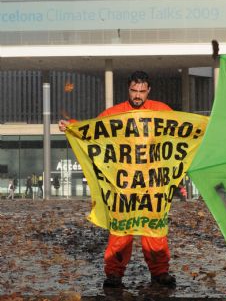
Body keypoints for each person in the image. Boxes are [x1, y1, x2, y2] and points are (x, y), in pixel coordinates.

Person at [58, 71, 175, 289]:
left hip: (152, 184)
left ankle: (160, 272)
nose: (138, 95)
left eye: (141, 91)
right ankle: (114, 274)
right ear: (128, 89)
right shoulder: (114, 114)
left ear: (148, 90)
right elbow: (93, 131)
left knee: (155, 230)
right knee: (121, 230)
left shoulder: (163, 111)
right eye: (134, 90)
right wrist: (73, 126)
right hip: (124, 185)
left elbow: (180, 134)